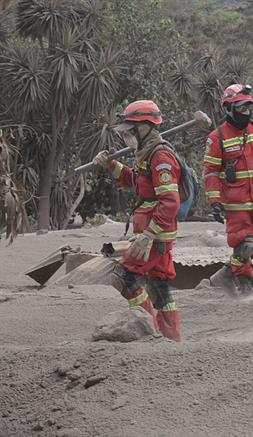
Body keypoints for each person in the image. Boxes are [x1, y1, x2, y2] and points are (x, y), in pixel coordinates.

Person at [93, 100, 182, 341]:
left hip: (154, 236)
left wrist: (148, 235)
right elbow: (138, 183)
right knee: (159, 287)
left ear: (144, 128)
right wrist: (112, 165)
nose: (126, 138)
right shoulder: (147, 153)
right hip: (154, 235)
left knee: (124, 277)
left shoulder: (160, 156)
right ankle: (171, 340)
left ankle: (146, 329)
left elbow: (170, 201)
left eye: (130, 132)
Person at [203, 84, 253, 296]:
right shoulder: (217, 137)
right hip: (236, 204)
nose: (246, 111)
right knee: (244, 246)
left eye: (248, 106)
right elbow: (211, 172)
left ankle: (223, 276)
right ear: (229, 109)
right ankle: (245, 291)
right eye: (241, 107)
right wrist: (215, 201)